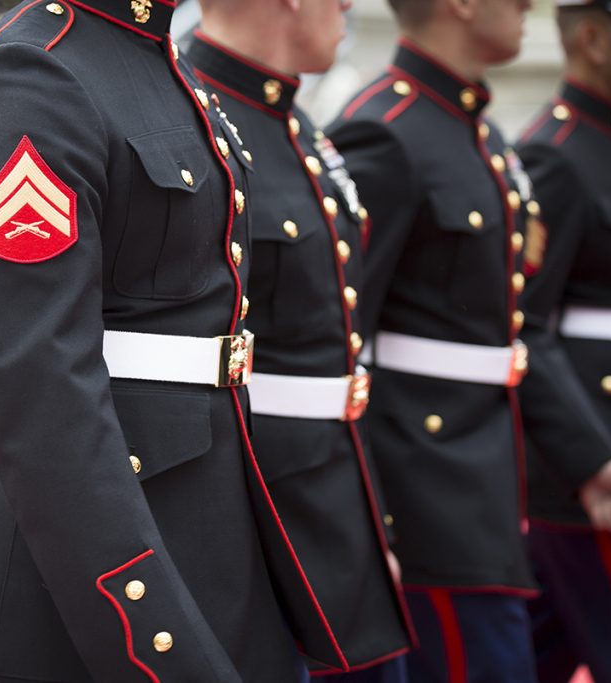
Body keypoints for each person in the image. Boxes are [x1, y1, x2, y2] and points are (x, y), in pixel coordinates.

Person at [0, 0, 339, 680]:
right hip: (80, 586)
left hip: (207, 532)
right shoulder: (33, 74)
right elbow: (36, 390)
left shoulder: (158, 60)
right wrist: (153, 634)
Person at [187, 1, 414, 680]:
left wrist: (374, 529)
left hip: (335, 507)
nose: (349, 4)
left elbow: (337, 352)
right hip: (252, 522)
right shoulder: (191, 113)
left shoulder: (299, 124)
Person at [325, 1, 543, 679]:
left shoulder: (476, 131)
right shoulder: (382, 131)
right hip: (426, 489)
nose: (529, 7)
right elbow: (343, 334)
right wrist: (373, 514)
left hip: (483, 477)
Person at [516, 1, 611, 679]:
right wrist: (590, 458)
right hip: (608, 471)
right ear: (595, 38)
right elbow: (523, 323)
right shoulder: (557, 154)